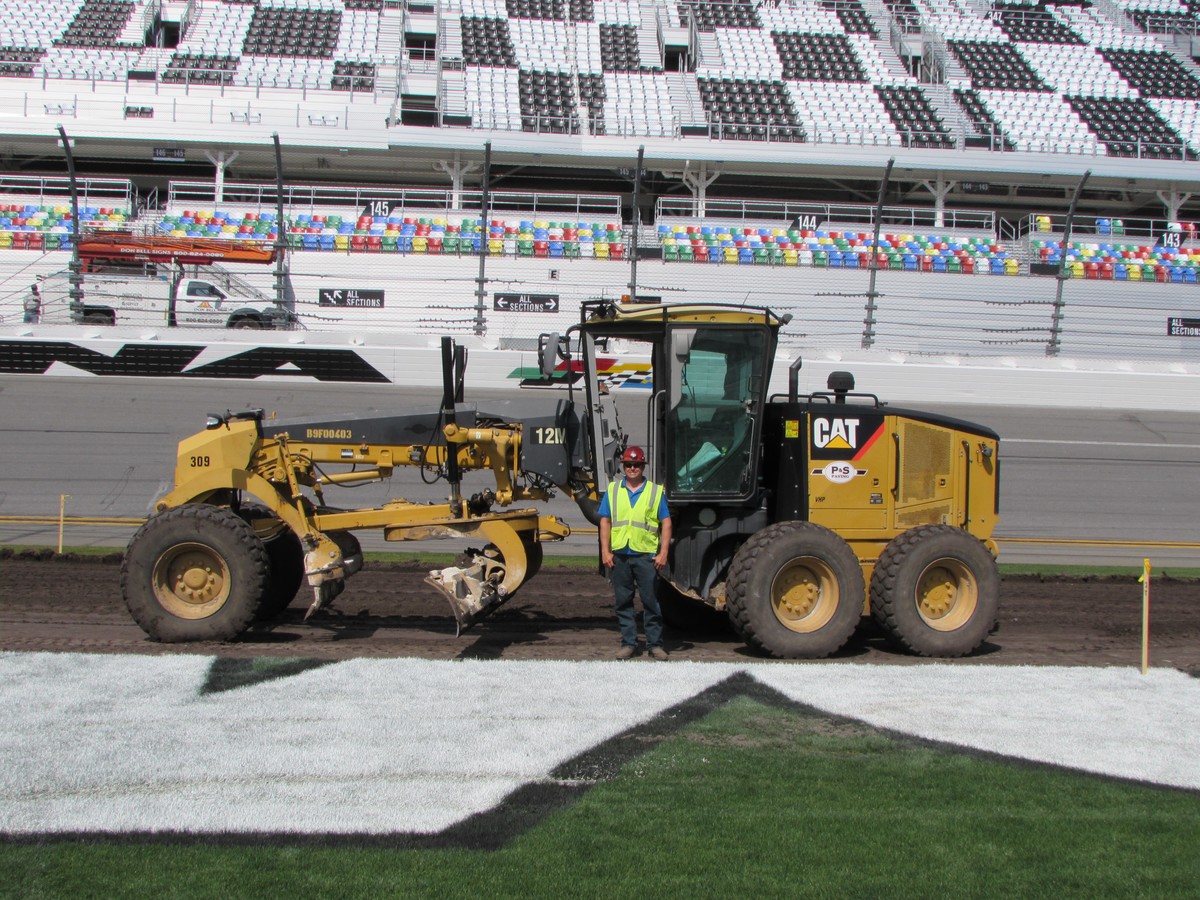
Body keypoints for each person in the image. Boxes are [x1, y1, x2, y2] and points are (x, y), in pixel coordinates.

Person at [598, 445, 672, 660]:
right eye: (628, 465)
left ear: (642, 466)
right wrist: (605, 551)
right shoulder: (613, 490)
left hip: (645, 556)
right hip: (620, 555)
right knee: (623, 601)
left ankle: (655, 645)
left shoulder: (655, 492)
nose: (632, 468)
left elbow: (666, 522)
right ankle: (629, 643)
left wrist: (663, 552)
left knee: (651, 602)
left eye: (636, 465)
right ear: (623, 467)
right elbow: (605, 521)